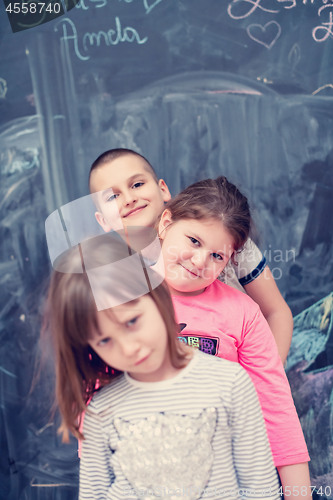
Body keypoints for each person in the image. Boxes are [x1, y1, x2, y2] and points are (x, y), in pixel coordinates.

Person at [43, 234, 281, 500]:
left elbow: (261, 488)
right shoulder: (100, 411)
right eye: (105, 340)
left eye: (132, 322)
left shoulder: (230, 383)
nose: (128, 348)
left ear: (155, 294)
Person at [157, 176, 311, 498]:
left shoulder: (243, 314)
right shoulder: (127, 301)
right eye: (194, 241)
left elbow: (278, 411)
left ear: (231, 261)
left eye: (218, 256)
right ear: (166, 223)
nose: (200, 262)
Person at [89, 148, 293, 362]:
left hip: (244, 363)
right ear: (102, 220)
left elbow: (276, 312)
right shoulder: (114, 279)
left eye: (137, 184)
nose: (129, 199)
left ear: (163, 190)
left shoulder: (221, 234)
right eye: (112, 196)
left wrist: (262, 379)